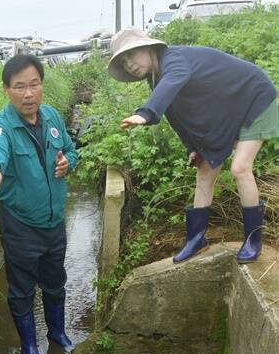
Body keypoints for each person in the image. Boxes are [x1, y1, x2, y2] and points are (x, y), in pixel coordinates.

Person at [107, 27, 278, 264]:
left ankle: (253, 239)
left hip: (253, 97)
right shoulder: (156, 79)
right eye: (124, 62)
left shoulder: (174, 59)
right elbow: (176, 117)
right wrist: (192, 148)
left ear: (148, 47)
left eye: (132, 55)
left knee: (240, 168)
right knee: (204, 172)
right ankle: (196, 239)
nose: (130, 64)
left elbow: (172, 83)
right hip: (229, 108)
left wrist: (146, 113)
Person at [0, 54, 78, 354]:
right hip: (20, 226)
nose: (28, 94)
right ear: (6, 90)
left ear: (41, 86)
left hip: (54, 222)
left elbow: (71, 148)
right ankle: (28, 346)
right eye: (19, 86)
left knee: (55, 281)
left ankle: (58, 334)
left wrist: (69, 161)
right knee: (21, 289)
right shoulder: (1, 127)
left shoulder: (51, 117)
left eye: (34, 85)